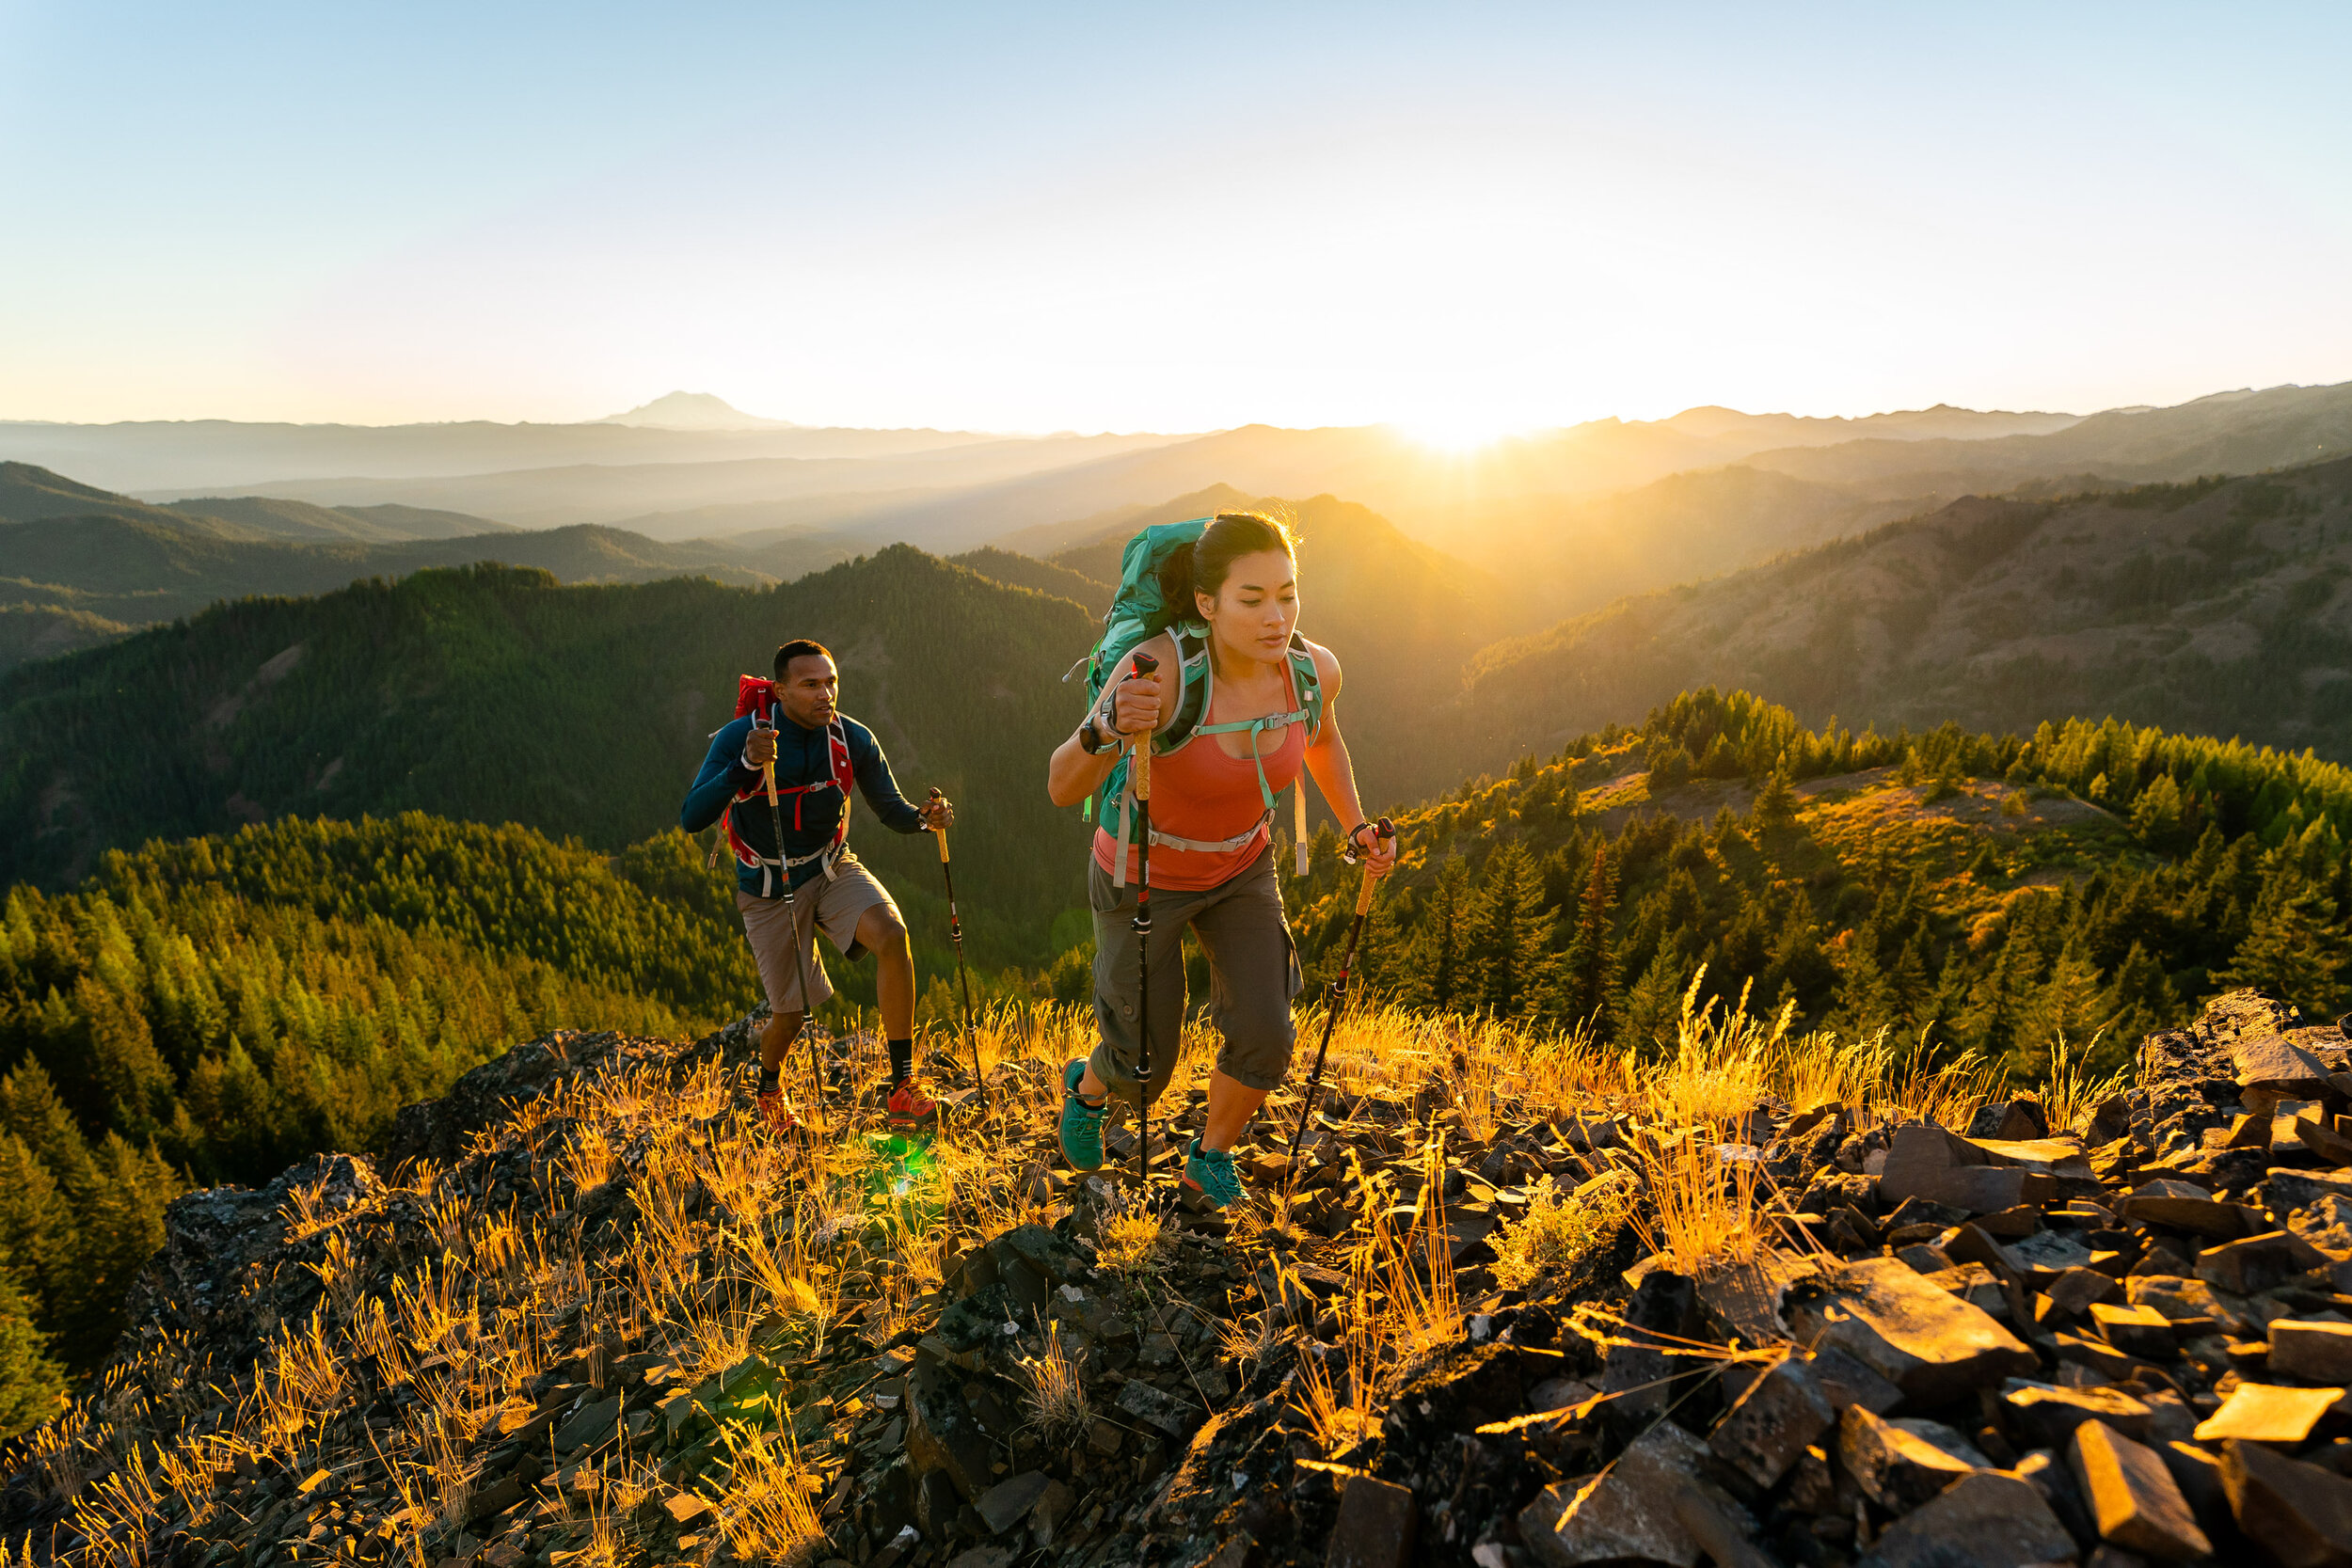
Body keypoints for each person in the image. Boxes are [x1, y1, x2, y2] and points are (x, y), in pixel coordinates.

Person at [1044, 513, 1397, 1207]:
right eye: (1253, 598)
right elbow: (1062, 785)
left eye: (1288, 594)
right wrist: (1107, 724)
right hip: (1142, 872)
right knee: (1143, 1069)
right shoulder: (1159, 671)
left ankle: (1210, 1156)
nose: (1277, 616)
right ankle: (1090, 1083)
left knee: (1267, 1031)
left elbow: (1323, 742)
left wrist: (1356, 827)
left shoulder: (1311, 672)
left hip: (1243, 866)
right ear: (1207, 603)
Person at [682, 638, 952, 1132]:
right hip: (766, 886)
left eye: (831, 682)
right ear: (780, 691)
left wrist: (924, 819)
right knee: (790, 1015)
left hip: (830, 866)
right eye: (810, 685)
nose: (825, 693)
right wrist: (744, 765)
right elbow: (692, 816)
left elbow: (889, 808)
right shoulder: (741, 737)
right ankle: (768, 1085)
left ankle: (902, 1087)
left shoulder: (852, 739)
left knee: (893, 936)